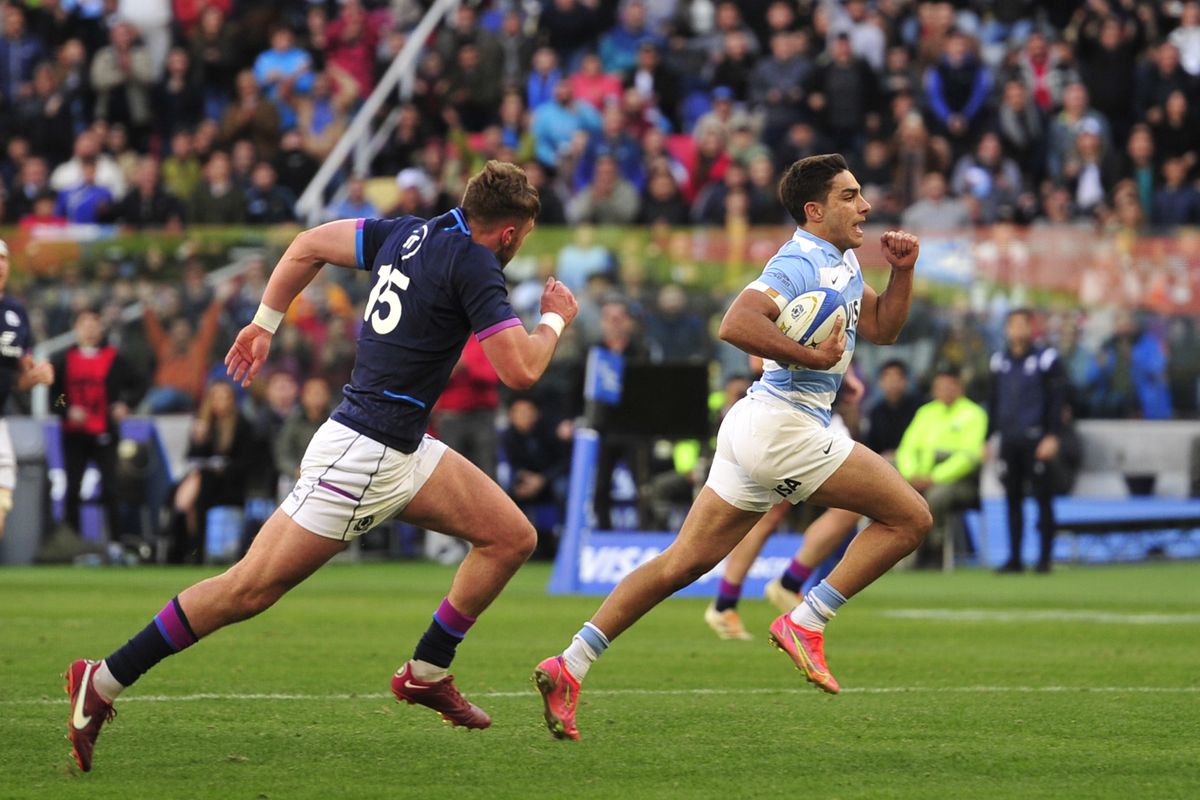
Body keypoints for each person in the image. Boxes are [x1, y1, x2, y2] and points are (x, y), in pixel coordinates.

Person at [64, 161, 578, 772]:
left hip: (398, 443)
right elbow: (520, 369)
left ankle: (426, 670)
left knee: (509, 536)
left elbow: (308, 244)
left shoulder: (405, 231)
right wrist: (554, 319)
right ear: (512, 233)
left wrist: (263, 323)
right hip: (365, 454)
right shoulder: (475, 261)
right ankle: (103, 681)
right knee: (247, 588)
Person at [534, 153, 930, 740]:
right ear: (815, 210)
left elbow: (884, 329)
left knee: (681, 563)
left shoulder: (841, 260)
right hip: (785, 425)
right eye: (850, 197)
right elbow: (735, 322)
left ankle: (569, 663)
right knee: (910, 518)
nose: (865, 206)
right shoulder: (799, 261)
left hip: (758, 425)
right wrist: (809, 355)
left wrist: (902, 271)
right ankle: (807, 618)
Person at [50, 309, 142, 542]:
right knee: (73, 489)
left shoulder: (115, 358)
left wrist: (125, 404)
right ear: (76, 329)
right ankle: (73, 543)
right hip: (74, 434)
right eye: (85, 324)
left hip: (105, 432)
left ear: (101, 328)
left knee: (111, 489)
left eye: (94, 324)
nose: (90, 329)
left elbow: (140, 383)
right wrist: (68, 408)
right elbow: (56, 396)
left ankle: (115, 543)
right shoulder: (63, 359)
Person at [988, 309, 1066, 574]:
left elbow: (1058, 401)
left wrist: (1053, 435)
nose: (1017, 330)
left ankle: (1044, 558)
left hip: (1037, 439)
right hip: (1010, 439)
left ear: (1032, 328)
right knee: (1012, 498)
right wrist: (989, 438)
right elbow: (994, 401)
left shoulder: (1046, 359)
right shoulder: (1000, 361)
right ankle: (1015, 557)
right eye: (1013, 325)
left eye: (1023, 324)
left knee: (1042, 497)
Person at [895, 368, 987, 568]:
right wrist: (911, 475)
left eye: (950, 386)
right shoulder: (925, 412)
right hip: (919, 477)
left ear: (960, 388)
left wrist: (934, 478)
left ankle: (932, 548)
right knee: (890, 479)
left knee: (937, 496)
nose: (945, 390)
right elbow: (906, 449)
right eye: (940, 386)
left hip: (960, 483)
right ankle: (897, 546)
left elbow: (968, 458)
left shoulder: (973, 414)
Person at [0, 238, 55, 540]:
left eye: (4, 258)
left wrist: (36, 375)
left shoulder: (15, 312)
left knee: (1, 506)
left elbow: (20, 370)